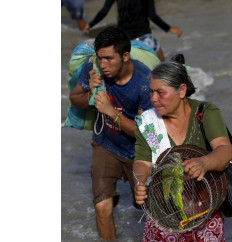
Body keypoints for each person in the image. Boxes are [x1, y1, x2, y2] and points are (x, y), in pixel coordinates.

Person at [133, 55, 232, 241]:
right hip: (164, 213)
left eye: (160, 92)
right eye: (151, 92)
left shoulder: (205, 113)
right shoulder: (148, 122)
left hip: (204, 210)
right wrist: (140, 182)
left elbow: (224, 149)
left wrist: (205, 163)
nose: (153, 99)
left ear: (181, 90)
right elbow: (142, 162)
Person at [69, 26, 154, 240]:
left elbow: (144, 134)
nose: (103, 65)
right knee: (102, 207)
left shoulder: (146, 83)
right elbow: (75, 100)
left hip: (138, 152)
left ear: (126, 56)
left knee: (150, 208)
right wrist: (89, 90)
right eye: (100, 58)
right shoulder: (93, 67)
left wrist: (110, 112)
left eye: (109, 58)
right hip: (105, 145)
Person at [83, 0, 182, 62]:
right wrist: (169, 28)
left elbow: (103, 12)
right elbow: (153, 16)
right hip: (145, 39)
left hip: (126, 41)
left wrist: (90, 24)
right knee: (162, 64)